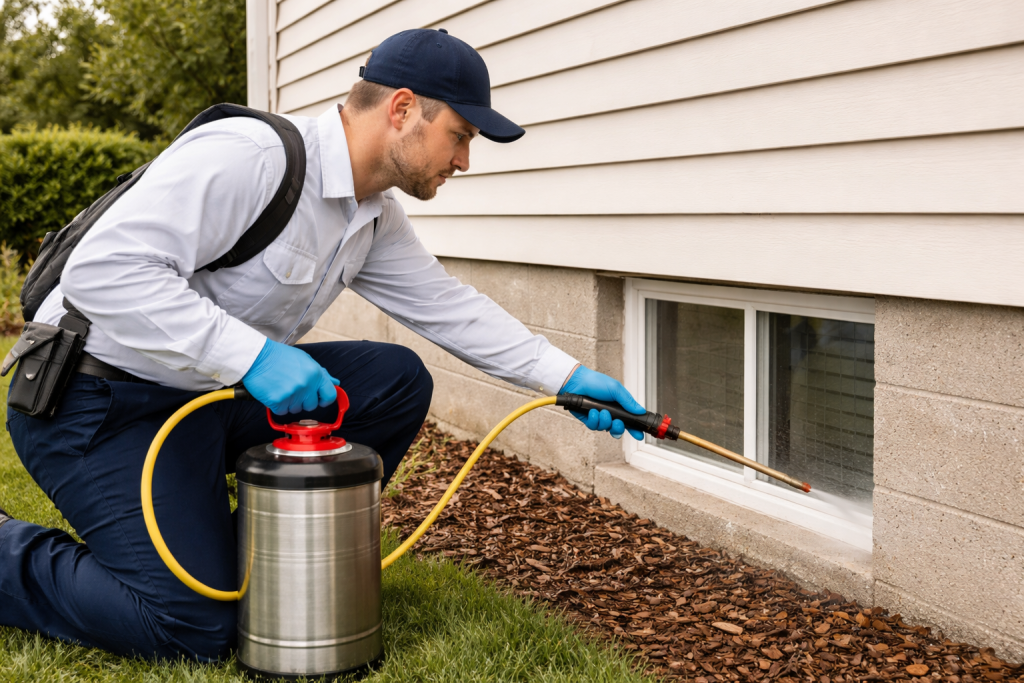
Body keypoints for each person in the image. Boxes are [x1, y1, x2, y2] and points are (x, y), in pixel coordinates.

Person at [0, 28, 645, 661]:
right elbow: (104, 271)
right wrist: (254, 357)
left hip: (197, 400)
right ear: (402, 109)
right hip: (95, 404)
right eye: (460, 136)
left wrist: (566, 377)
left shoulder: (371, 215)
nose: (463, 161)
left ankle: (266, 557)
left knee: (393, 379)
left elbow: (448, 309)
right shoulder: (250, 157)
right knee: (191, 625)